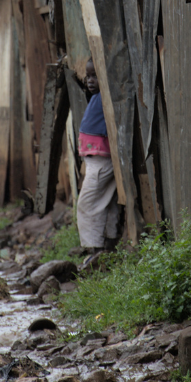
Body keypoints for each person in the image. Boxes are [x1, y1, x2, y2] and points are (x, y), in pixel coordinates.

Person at [75, 61, 120, 250]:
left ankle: (93, 247)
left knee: (87, 204)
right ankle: (108, 241)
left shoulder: (107, 96)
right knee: (106, 201)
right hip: (96, 161)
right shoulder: (95, 97)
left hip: (102, 162)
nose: (90, 81)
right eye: (88, 77)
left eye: (95, 76)